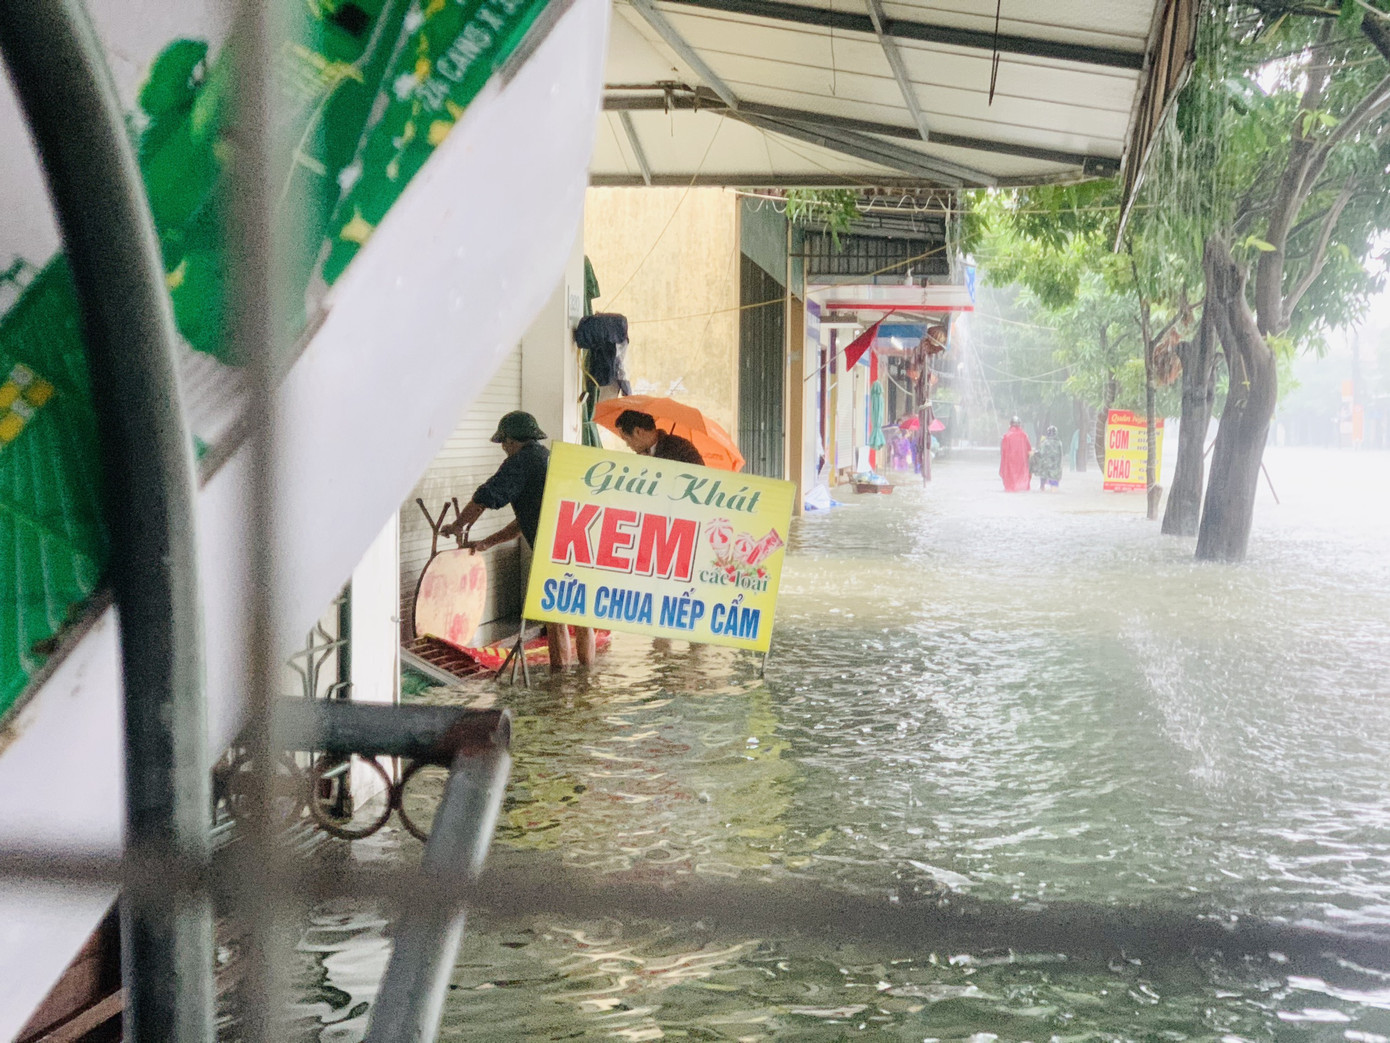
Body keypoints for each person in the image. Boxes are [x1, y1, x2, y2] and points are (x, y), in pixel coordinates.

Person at [440, 410, 595, 669]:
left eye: (503, 443)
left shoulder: (521, 461)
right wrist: (487, 542)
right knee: (581, 615)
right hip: (579, 545)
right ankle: (586, 678)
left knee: (556, 618)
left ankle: (560, 685)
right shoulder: (547, 457)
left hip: (554, 551)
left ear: (510, 441)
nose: (503, 449)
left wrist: (458, 525)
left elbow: (486, 496)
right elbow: (526, 521)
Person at [614, 409, 705, 465]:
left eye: (627, 439)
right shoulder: (642, 454)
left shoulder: (682, 448)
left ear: (638, 432)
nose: (628, 445)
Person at [999, 416, 1031, 492]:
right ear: (1019, 424)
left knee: (1011, 486)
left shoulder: (1006, 436)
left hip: (1010, 464)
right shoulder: (1024, 435)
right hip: (1022, 463)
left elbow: (1002, 452)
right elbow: (1029, 450)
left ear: (1010, 424)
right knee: (1021, 484)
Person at [1033, 425, 1063, 491]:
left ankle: (1042, 487)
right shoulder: (1059, 443)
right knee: (1054, 487)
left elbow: (1040, 454)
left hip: (1045, 470)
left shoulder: (1045, 443)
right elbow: (1061, 456)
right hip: (1055, 469)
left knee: (1042, 487)